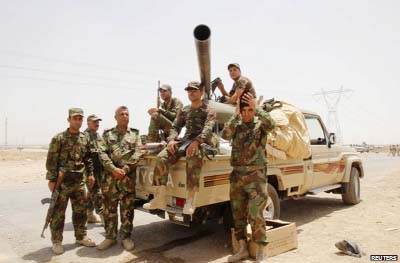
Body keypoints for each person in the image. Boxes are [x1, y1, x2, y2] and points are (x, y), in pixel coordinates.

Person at [143, 81, 216, 215]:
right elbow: (175, 127)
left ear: (201, 92)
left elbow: (208, 129)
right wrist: (171, 140)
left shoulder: (209, 110)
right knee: (162, 157)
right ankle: (160, 198)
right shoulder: (185, 110)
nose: (191, 93)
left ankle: (190, 199)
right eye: (189, 91)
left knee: (193, 155)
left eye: (194, 90)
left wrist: (197, 142)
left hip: (202, 141)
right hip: (186, 139)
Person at [221, 93, 275, 263]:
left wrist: (257, 107)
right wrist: (235, 113)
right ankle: (242, 248)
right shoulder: (236, 126)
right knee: (237, 214)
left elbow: (271, 124)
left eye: (249, 109)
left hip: (256, 177)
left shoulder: (260, 126)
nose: (246, 113)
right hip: (237, 176)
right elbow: (224, 134)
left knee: (255, 213)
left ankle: (261, 250)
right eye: (244, 110)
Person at [45, 108, 96, 255]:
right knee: (58, 213)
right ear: (69, 120)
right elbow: (51, 160)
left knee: (80, 212)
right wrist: (51, 180)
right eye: (75, 118)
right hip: (62, 182)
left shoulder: (84, 138)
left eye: (80, 118)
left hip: (79, 181)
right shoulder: (59, 138)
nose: (78, 121)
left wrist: (91, 174)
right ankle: (56, 241)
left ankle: (81, 236)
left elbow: (88, 159)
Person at [96, 106, 143, 251]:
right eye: (121, 114)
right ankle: (110, 237)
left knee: (127, 210)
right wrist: (113, 169)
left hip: (127, 179)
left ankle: (126, 237)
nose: (124, 116)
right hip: (110, 180)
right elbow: (102, 153)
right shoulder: (107, 134)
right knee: (109, 210)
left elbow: (138, 152)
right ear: (115, 117)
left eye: (127, 114)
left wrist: (126, 169)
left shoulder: (135, 134)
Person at [84, 114, 104, 225]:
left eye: (98, 121)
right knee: (97, 193)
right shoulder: (84, 136)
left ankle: (89, 215)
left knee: (92, 193)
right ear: (88, 123)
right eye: (94, 122)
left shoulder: (97, 136)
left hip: (99, 169)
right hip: (88, 170)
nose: (97, 123)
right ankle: (103, 217)